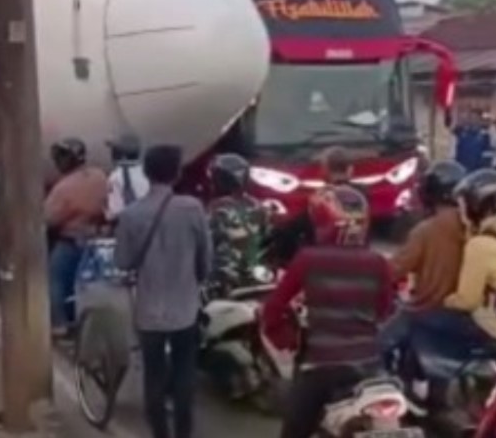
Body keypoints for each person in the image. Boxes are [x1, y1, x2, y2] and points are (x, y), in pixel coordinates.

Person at [262, 183, 394, 438]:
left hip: (321, 365)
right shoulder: (378, 262)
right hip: (370, 364)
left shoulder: (308, 259)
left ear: (322, 222)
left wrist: (286, 341)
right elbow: (384, 310)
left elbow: (273, 309)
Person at [114, 144, 213, 438]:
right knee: (184, 374)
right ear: (177, 173)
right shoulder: (192, 208)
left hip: (148, 311)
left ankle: (159, 432)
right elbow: (205, 258)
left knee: (153, 375)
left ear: (146, 172)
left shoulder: (131, 214)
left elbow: (122, 261)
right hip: (184, 307)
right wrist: (198, 278)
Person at [413, 169, 496, 354]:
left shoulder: (479, 245)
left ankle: (435, 375)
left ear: (478, 207)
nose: (461, 213)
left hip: (495, 329)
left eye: (463, 206)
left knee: (421, 318)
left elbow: (467, 301)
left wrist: (444, 301)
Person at [380, 161, 468, 352]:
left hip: (429, 311)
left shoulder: (425, 231)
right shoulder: (475, 226)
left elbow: (392, 270)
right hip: (469, 317)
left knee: (377, 346)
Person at [44, 137, 107, 337]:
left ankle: (60, 324)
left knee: (55, 280)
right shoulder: (99, 176)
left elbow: (48, 219)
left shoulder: (63, 188)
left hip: (71, 240)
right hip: (96, 240)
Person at [207, 153, 270, 288]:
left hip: (226, 279)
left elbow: (205, 244)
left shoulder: (216, 209)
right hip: (260, 274)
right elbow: (266, 238)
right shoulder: (258, 206)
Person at [106, 133, 149, 221]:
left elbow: (114, 213)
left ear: (122, 156)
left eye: (115, 151)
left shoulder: (116, 177)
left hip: (130, 224)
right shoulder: (147, 171)